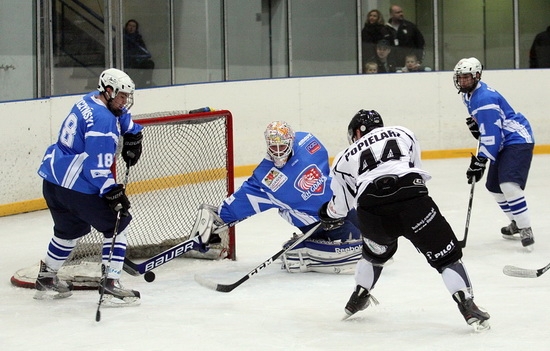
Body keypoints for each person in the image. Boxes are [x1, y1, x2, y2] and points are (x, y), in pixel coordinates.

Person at [318, 109, 490, 331]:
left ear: (358, 132)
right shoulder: (402, 132)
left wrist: (327, 213)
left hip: (373, 212)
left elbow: (341, 206)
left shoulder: (343, 157)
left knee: (374, 255)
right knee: (447, 259)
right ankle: (468, 306)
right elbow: (414, 169)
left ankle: (359, 296)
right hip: (413, 202)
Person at [191, 121, 362, 274]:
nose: (278, 151)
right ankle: (304, 251)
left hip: (339, 205)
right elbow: (242, 201)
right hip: (316, 222)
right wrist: (217, 220)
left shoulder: (307, 142)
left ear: (292, 141)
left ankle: (310, 247)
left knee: (369, 235)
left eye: (282, 146)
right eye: (274, 147)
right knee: (357, 248)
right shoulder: (265, 177)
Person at [34, 68, 144, 305]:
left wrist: (133, 133)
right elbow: (96, 168)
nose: (125, 101)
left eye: (127, 97)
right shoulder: (103, 122)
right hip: (77, 186)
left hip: (53, 181)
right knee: (118, 222)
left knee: (68, 231)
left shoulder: (89, 100)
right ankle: (111, 284)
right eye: (122, 96)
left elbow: (120, 114)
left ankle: (46, 278)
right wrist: (112, 191)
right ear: (108, 91)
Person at [453, 57, 535, 250]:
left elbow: (492, 133)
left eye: (466, 77)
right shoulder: (468, 95)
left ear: (477, 76)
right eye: (460, 78)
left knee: (508, 184)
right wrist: (478, 128)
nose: (462, 81)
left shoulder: (484, 99)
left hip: (517, 139)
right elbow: (488, 128)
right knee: (494, 186)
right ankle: (516, 222)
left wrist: (481, 161)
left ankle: (525, 229)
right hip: (503, 140)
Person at [385, 4, 425, 69]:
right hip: (392, 65)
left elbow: (420, 43)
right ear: (391, 14)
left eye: (401, 12)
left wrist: (418, 61)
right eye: (398, 12)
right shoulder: (385, 29)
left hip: (410, 64)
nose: (401, 14)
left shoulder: (410, 27)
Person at [124, 19, 155, 87]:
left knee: (150, 64)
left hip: (137, 60)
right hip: (127, 60)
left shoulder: (138, 38)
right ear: (126, 27)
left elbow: (144, 50)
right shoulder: (122, 37)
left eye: (133, 26)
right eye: (130, 25)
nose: (131, 28)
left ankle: (145, 82)